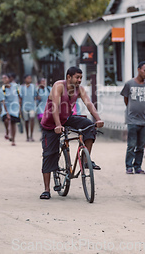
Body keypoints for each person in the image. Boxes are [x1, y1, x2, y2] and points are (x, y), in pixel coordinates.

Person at [39, 66, 104, 199]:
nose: (80, 80)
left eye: (81, 77)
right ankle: (46, 189)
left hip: (66, 118)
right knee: (49, 154)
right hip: (51, 123)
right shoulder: (59, 86)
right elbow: (55, 107)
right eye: (77, 77)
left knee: (89, 126)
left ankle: (86, 159)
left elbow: (89, 104)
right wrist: (57, 125)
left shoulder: (79, 89)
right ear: (69, 77)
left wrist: (98, 119)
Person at [121, 61, 145, 175]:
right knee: (131, 145)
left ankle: (138, 167)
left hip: (144, 120)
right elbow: (126, 99)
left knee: (141, 146)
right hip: (132, 120)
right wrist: (131, 109)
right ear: (138, 70)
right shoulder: (129, 84)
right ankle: (129, 166)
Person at [0, 74, 21, 146]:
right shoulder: (3, 88)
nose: (4, 80)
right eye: (3, 78)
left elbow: (19, 97)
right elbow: (3, 101)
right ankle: (7, 130)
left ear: (10, 78)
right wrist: (7, 112)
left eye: (5, 78)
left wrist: (20, 108)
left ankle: (13, 139)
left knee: (13, 123)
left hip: (15, 108)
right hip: (6, 108)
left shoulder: (16, 87)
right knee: (6, 119)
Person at [20, 74, 37, 142]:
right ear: (25, 79)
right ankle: (27, 136)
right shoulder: (21, 87)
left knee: (32, 119)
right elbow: (20, 97)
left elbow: (35, 96)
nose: (29, 80)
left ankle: (31, 135)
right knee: (26, 121)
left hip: (32, 106)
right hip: (24, 106)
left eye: (30, 78)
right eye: (28, 78)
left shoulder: (33, 87)